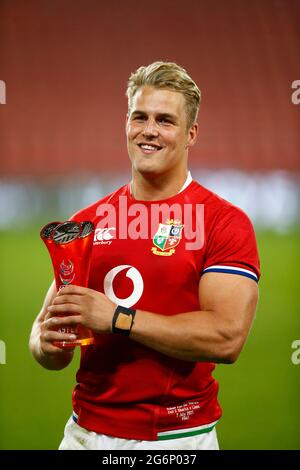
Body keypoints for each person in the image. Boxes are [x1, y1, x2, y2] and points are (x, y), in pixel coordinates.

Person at [29, 61, 260, 450]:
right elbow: (42, 335)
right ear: (127, 124)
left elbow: (226, 338)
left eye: (165, 120)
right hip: (83, 434)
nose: (149, 130)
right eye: (140, 116)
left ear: (191, 134)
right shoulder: (86, 223)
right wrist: (47, 343)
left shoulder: (223, 222)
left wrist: (117, 319)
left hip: (177, 439)